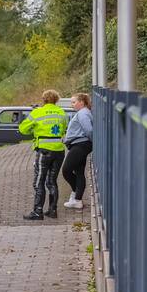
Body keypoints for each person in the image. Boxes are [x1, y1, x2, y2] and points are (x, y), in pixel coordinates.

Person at [18, 89, 69, 220]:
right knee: (52, 182)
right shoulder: (62, 112)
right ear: (56, 100)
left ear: (44, 99)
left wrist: (35, 128)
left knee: (38, 181)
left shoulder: (37, 112)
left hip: (44, 151)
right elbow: (64, 128)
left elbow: (22, 129)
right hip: (59, 150)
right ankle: (52, 211)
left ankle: (38, 211)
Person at [62, 92, 93, 210]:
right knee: (79, 172)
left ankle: (75, 194)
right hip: (81, 144)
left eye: (74, 102)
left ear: (81, 102)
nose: (72, 105)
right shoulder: (83, 113)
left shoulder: (83, 113)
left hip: (80, 144)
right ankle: (77, 200)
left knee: (66, 170)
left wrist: (91, 142)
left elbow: (89, 130)